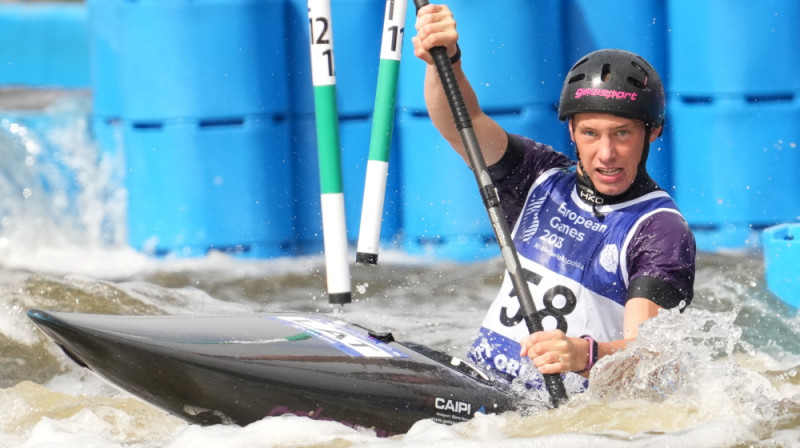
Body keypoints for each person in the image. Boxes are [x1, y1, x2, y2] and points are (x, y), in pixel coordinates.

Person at [411, 4, 696, 384]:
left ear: (653, 132)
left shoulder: (659, 230)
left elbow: (651, 354)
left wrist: (584, 353)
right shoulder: (539, 176)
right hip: (482, 386)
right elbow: (463, 123)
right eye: (591, 133)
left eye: (622, 133)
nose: (607, 153)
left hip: (563, 420)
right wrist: (443, 61)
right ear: (573, 132)